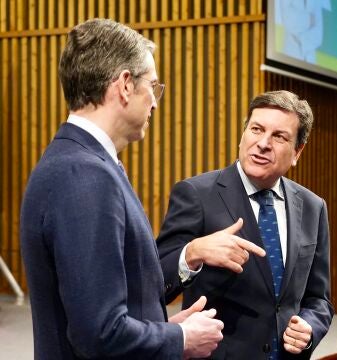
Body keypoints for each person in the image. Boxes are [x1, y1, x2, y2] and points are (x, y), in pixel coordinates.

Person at [20, 18, 224, 359]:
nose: (155, 104)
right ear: (125, 85)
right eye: (153, 87)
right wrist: (180, 340)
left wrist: (167, 328)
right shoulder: (84, 175)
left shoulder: (79, 161)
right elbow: (99, 333)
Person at [157, 90, 334, 359]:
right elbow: (156, 280)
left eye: (279, 136)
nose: (263, 143)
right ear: (243, 134)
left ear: (298, 151)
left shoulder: (313, 207)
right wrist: (191, 253)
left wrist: (310, 328)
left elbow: (319, 299)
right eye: (256, 129)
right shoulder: (196, 194)